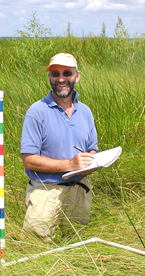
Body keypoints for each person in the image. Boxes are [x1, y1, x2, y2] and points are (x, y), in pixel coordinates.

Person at [20, 53, 98, 239]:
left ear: (77, 76)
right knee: (35, 249)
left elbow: (92, 148)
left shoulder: (85, 112)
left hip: (80, 192)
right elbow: (29, 160)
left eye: (67, 73)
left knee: (76, 246)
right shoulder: (37, 111)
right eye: (55, 74)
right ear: (49, 77)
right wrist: (70, 165)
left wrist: (92, 160)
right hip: (46, 193)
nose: (61, 79)